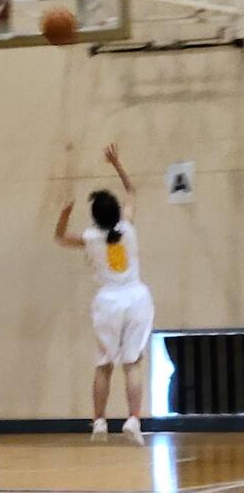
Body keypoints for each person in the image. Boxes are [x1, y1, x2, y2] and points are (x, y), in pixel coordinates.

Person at [54, 144, 154, 446]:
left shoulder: (89, 238)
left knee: (104, 364)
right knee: (132, 363)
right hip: (136, 297)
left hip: (108, 302)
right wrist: (116, 163)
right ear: (117, 213)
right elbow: (131, 190)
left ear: (95, 218)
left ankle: (99, 421)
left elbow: (59, 237)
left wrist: (64, 214)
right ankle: (133, 419)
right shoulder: (128, 227)